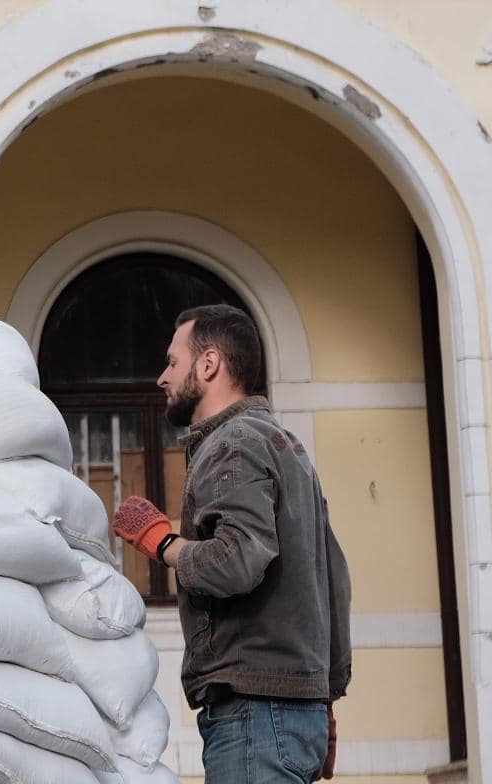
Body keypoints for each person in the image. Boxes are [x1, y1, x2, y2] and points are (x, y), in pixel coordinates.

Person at [112, 305, 351, 784]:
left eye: (172, 362)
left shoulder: (233, 443)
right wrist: (321, 700)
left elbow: (237, 561)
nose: (162, 378)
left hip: (254, 714)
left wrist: (162, 543)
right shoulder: (287, 447)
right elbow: (333, 581)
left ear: (209, 364)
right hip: (291, 714)